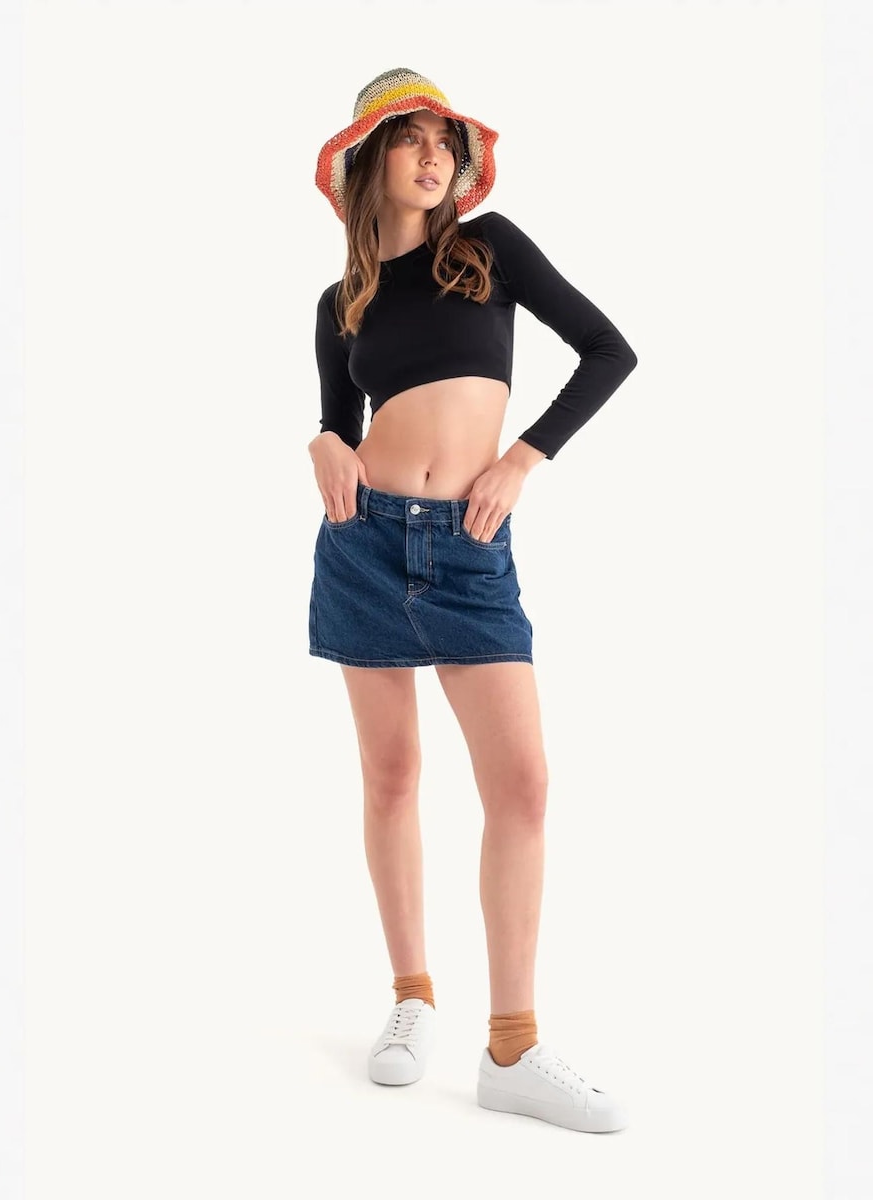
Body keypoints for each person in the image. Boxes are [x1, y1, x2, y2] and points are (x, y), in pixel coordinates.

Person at [308, 68, 637, 1134]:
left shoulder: (490, 250)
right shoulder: (339, 304)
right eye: (409, 137)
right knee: (392, 776)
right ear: (370, 162)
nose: (433, 153)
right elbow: (337, 418)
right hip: (363, 545)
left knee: (523, 787)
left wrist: (524, 457)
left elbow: (609, 350)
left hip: (471, 547)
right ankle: (412, 998)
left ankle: (513, 1048)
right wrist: (324, 439)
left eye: (444, 139)